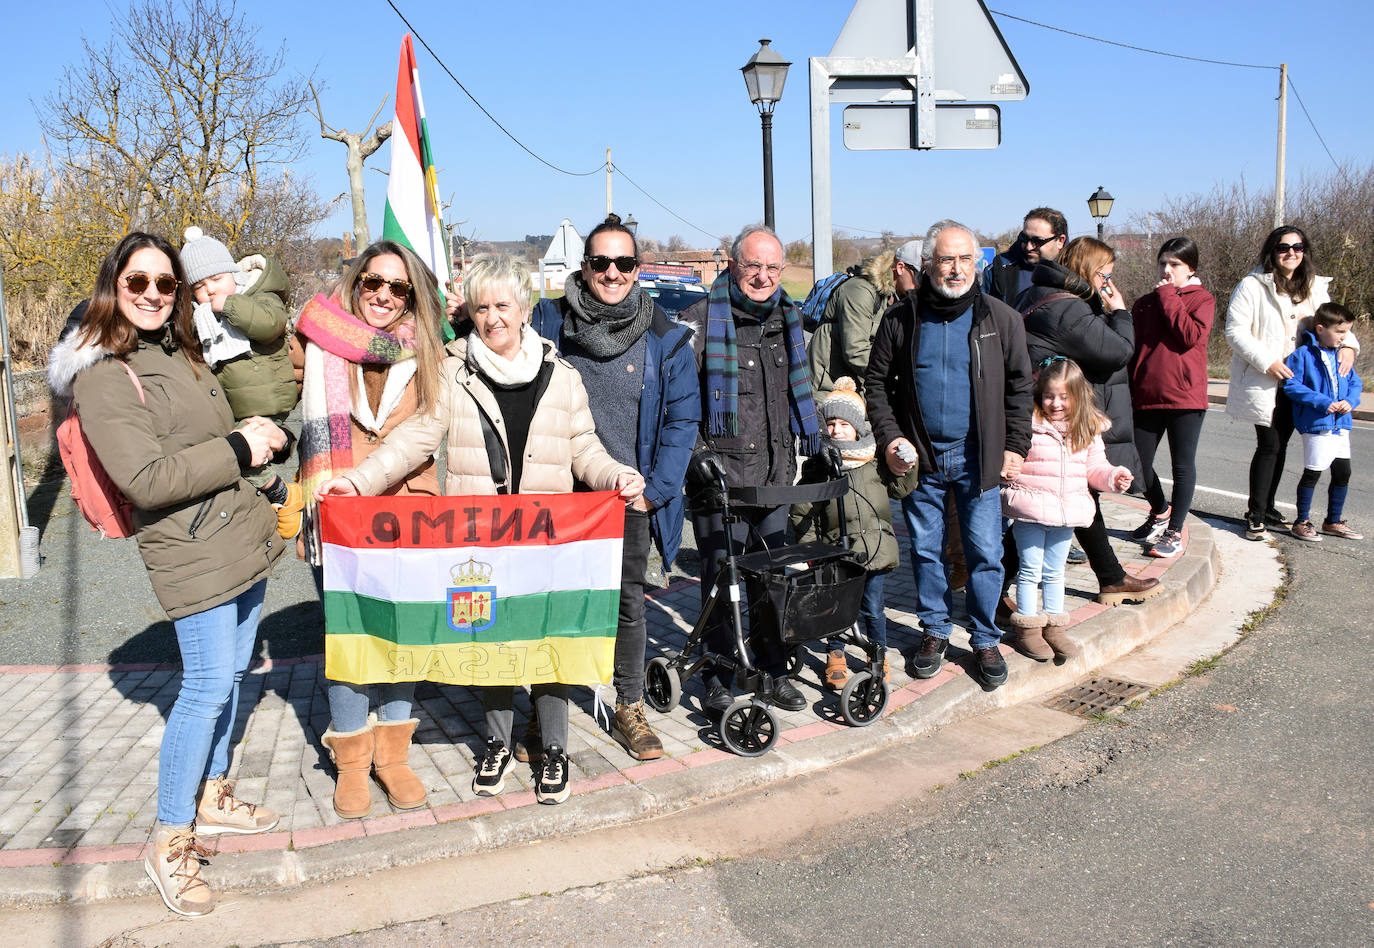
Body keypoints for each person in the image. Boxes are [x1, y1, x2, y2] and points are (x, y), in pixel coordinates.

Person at [317, 254, 644, 806]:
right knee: (489, 639)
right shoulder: (450, 371)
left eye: (504, 305)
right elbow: (417, 438)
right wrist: (360, 483)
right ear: (471, 310)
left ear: (525, 309)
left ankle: (554, 749)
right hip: (481, 538)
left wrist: (616, 475)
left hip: (546, 536)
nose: (493, 317)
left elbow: (583, 446)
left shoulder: (563, 376)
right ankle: (496, 740)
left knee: (549, 639)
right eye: (483, 306)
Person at [48, 232, 288, 916]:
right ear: (111, 288)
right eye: (138, 283)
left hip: (238, 534)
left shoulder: (176, 350)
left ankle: (211, 794)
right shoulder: (103, 372)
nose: (154, 294)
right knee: (207, 689)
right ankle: (169, 839)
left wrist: (255, 441)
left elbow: (204, 438)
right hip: (189, 548)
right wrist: (240, 445)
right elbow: (146, 479)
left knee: (236, 674)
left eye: (165, 284)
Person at [529, 213, 700, 761]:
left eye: (623, 263)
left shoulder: (665, 338)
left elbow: (681, 421)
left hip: (626, 497)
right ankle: (544, 715)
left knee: (628, 604)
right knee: (552, 603)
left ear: (637, 269)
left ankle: (628, 703)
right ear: (584, 266)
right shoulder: (550, 323)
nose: (611, 272)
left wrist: (656, 491)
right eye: (600, 262)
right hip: (559, 495)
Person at [292, 241, 448, 820]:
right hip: (335, 512)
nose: (384, 295)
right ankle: (353, 763)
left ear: (413, 297)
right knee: (351, 636)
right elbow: (261, 380)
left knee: (403, 633)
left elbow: (429, 430)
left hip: (407, 510)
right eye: (373, 283)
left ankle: (393, 755)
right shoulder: (317, 338)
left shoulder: (431, 350)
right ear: (356, 283)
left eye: (399, 288)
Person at [865, 219, 1034, 689]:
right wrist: (890, 439)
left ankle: (984, 638)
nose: (956, 269)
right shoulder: (901, 317)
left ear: (976, 264)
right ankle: (935, 630)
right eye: (946, 259)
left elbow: (1021, 389)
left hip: (980, 457)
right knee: (925, 550)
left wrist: (1016, 446)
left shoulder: (1001, 319)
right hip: (920, 458)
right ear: (927, 265)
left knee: (985, 553)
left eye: (965, 259)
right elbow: (876, 385)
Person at [681, 224, 823, 715]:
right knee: (722, 580)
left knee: (773, 577)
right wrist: (698, 455)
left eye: (771, 267)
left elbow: (799, 393)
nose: (762, 277)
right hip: (719, 481)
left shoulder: (789, 319)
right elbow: (678, 403)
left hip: (775, 476)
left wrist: (821, 437)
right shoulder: (700, 320)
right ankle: (719, 671)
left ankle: (770, 668)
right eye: (752, 266)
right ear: (732, 265)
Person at [1018, 236, 1161, 606]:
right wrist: (1120, 312)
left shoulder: (1039, 294)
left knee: (1077, 497)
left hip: (1048, 412)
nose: (1107, 284)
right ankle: (995, 593)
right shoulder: (1068, 310)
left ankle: (1111, 576)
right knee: (1038, 506)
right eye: (1105, 275)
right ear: (1089, 271)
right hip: (1053, 419)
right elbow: (1119, 352)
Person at [1225, 226, 1357, 540]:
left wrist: (1350, 346)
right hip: (1267, 379)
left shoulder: (1313, 287)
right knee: (1269, 445)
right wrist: (1267, 361)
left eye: (1298, 247)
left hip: (1305, 383)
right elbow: (1236, 331)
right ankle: (1255, 515)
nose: (1291, 253)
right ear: (1272, 251)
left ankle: (1269, 507)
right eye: (1284, 247)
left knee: (1282, 445)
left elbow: (1334, 321)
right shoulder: (1252, 285)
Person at [1003, 358, 1133, 660]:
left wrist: (1114, 476)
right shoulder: (1028, 423)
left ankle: (1054, 626)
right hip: (1031, 509)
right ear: (1039, 394)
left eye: (1064, 396)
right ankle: (1028, 627)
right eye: (1049, 396)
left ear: (1078, 395)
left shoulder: (1086, 427)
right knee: (1030, 570)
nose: (1056, 403)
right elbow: (1012, 455)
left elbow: (1095, 467)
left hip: (1066, 513)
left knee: (1055, 572)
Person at [178, 226, 302, 538]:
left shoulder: (259, 294)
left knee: (240, 452)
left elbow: (270, 325)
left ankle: (284, 495)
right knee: (226, 453)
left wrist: (229, 306)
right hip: (234, 402)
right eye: (200, 286)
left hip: (266, 396)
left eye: (217, 279)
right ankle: (264, 506)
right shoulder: (200, 317)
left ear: (233, 273)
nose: (210, 291)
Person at [790, 377, 900, 686]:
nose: (837, 430)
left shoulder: (874, 461)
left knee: (873, 608)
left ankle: (877, 654)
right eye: (831, 423)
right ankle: (835, 654)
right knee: (835, 607)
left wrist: (909, 463)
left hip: (875, 552)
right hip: (836, 554)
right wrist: (813, 552)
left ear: (858, 427)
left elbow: (902, 487)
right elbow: (803, 512)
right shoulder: (819, 466)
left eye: (844, 424)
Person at [1128, 237, 1216, 558]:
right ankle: (1159, 509)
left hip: (1185, 398)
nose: (1167, 270)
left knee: (1182, 465)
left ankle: (1175, 530)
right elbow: (1134, 349)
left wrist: (1168, 294)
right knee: (1136, 464)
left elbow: (1189, 335)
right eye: (1163, 263)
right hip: (1146, 395)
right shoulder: (1144, 303)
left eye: (1175, 264)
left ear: (1190, 268)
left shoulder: (1202, 299)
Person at [1283, 302, 1363, 541]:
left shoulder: (1341, 355)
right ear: (1320, 328)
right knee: (1313, 472)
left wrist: (1350, 401)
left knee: (1343, 472)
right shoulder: (1302, 355)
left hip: (1342, 424)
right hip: (1318, 424)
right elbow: (1292, 385)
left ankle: (1333, 521)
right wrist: (1321, 401)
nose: (1344, 337)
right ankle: (1302, 521)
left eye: (1347, 331)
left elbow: (1355, 383)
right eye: (1340, 332)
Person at [807, 250, 897, 395]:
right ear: (901, 268)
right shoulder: (860, 290)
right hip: (828, 383)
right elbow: (855, 350)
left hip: (853, 382)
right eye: (918, 273)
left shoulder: (894, 297)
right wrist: (896, 374)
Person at [983, 207, 1069, 305]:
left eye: (1038, 241)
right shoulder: (998, 269)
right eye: (1024, 238)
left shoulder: (1078, 272)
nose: (1029, 247)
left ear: (1060, 241)